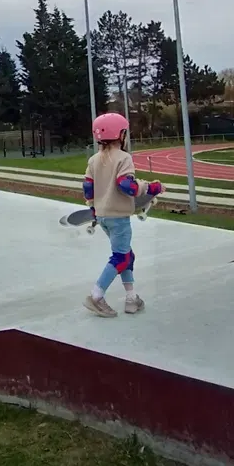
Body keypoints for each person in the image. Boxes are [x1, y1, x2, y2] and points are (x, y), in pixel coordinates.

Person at [81, 113, 162, 317]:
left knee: (126, 255)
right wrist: (150, 187)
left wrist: (93, 207)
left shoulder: (94, 159)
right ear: (121, 134)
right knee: (121, 257)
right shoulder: (123, 158)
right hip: (118, 217)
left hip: (102, 216)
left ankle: (131, 298)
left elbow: (88, 188)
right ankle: (96, 296)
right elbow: (127, 185)